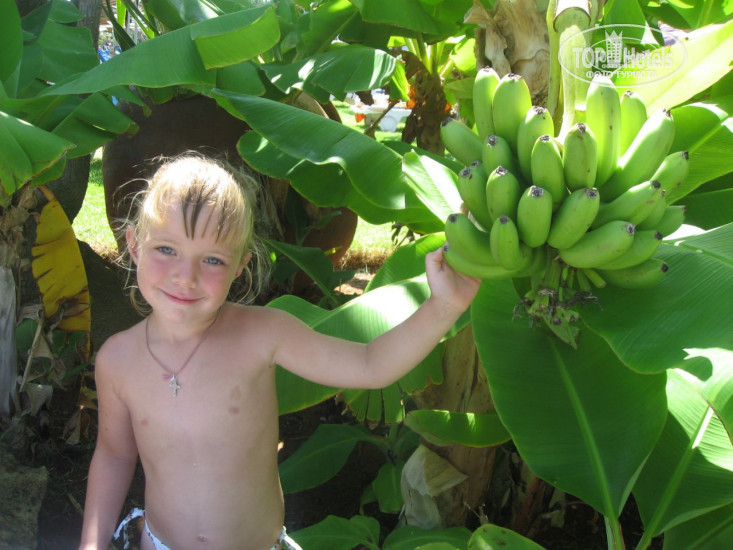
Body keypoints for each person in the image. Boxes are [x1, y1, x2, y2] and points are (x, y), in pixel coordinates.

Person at [78, 153, 481, 550]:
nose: (186, 276)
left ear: (240, 266)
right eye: (166, 250)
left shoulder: (263, 334)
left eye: (213, 259)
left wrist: (444, 306)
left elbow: (369, 364)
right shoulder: (117, 360)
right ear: (134, 244)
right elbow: (114, 456)